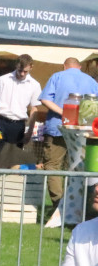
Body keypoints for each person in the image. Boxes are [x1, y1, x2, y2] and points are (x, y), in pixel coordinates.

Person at [38, 57, 98, 206]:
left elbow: (45, 99)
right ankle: (80, 206)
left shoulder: (57, 76)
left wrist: (63, 112)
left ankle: (59, 205)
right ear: (79, 67)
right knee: (80, 166)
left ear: (64, 66)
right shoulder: (91, 81)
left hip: (57, 128)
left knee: (53, 166)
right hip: (83, 131)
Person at [0, 54, 41, 149]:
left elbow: (34, 109)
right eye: (20, 70)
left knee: (13, 161)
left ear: (31, 67)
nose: (22, 74)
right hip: (0, 121)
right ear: (16, 65)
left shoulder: (34, 85)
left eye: (25, 71)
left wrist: (29, 132)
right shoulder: (3, 79)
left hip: (18, 125)